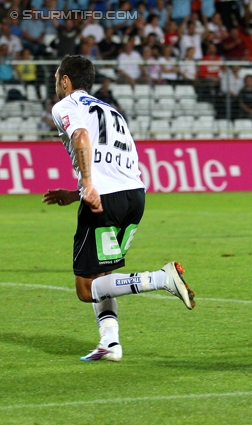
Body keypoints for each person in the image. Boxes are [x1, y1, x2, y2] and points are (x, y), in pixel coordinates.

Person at [42, 55, 196, 362]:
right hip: (134, 195)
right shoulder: (112, 111)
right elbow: (110, 163)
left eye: (57, 77)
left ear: (65, 80)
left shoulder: (65, 106)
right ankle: (110, 344)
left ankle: (162, 279)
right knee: (104, 273)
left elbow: (82, 137)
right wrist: (76, 194)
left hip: (105, 198)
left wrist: (86, 184)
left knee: (87, 288)